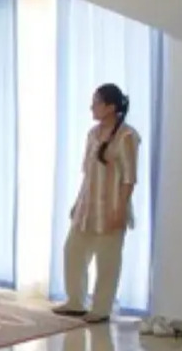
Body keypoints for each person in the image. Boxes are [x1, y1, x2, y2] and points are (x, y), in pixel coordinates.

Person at [54, 84, 140, 325]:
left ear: (110, 107)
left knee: (107, 261)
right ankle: (75, 302)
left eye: (96, 102)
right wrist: (77, 202)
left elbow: (129, 178)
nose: (91, 107)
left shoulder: (127, 136)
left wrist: (120, 209)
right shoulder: (92, 134)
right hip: (87, 206)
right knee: (73, 251)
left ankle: (101, 309)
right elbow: (88, 173)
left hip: (111, 208)